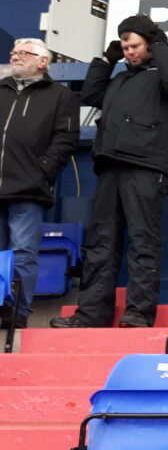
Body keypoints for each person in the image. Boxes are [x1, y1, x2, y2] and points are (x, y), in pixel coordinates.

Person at [51, 14, 168, 328]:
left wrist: (160, 45)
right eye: (125, 46)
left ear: (152, 43)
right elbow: (90, 95)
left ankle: (138, 313)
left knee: (144, 242)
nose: (129, 51)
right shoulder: (120, 78)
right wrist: (105, 60)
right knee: (100, 243)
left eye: (136, 45)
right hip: (111, 165)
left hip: (147, 166)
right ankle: (91, 315)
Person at [0, 39, 79, 328]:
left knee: (22, 252)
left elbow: (65, 139)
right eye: (13, 53)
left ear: (43, 62)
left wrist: (42, 171)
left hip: (28, 188)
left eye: (23, 53)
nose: (15, 57)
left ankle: (16, 313)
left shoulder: (60, 96)